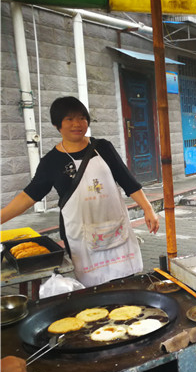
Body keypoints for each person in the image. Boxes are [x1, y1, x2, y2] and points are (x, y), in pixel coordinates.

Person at [1, 96, 160, 287]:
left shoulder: (103, 148)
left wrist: (148, 208)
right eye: (69, 119)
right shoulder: (51, 161)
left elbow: (127, 181)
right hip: (80, 233)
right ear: (56, 124)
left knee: (127, 281)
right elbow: (29, 195)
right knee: (93, 287)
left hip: (115, 226)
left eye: (82, 117)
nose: (77, 123)